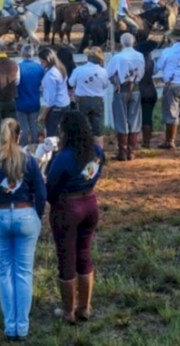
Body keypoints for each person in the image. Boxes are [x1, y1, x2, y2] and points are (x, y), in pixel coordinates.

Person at [0, 119, 47, 341]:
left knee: (4, 272)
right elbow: (42, 193)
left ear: (0, 136)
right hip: (25, 214)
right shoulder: (29, 161)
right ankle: (23, 327)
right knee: (24, 272)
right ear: (19, 136)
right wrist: (37, 214)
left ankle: (10, 326)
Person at [46, 110, 104, 325]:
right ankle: (85, 307)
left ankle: (68, 311)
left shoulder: (63, 157)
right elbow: (96, 172)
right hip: (90, 203)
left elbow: (50, 186)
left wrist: (55, 202)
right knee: (84, 255)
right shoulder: (96, 151)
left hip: (67, 206)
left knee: (66, 258)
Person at [107, 32, 145, 160]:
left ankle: (122, 151)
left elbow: (109, 73)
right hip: (135, 88)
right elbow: (142, 73)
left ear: (122, 43)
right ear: (133, 42)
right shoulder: (140, 56)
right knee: (134, 119)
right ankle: (131, 151)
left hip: (121, 89)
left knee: (121, 119)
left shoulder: (118, 57)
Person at [67, 47, 108, 148]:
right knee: (98, 129)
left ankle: (85, 152)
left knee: (83, 127)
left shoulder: (79, 70)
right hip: (97, 100)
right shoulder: (103, 71)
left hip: (82, 100)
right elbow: (105, 85)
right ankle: (99, 153)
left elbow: (71, 83)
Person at [15, 44, 45, 146]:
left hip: (21, 101)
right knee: (34, 126)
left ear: (22, 53)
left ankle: (23, 147)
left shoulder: (18, 67)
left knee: (23, 128)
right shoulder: (39, 68)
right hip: (34, 100)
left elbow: (16, 83)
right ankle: (35, 146)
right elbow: (43, 85)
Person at [38, 47, 71, 137]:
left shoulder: (50, 75)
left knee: (52, 135)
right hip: (65, 103)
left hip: (55, 107)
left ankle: (54, 151)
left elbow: (50, 99)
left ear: (48, 60)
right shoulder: (60, 68)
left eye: (42, 62)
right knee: (63, 133)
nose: (41, 64)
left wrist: (43, 114)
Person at [135, 39, 160, 148]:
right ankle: (147, 142)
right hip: (151, 90)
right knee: (147, 117)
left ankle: (134, 142)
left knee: (134, 117)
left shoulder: (137, 63)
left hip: (139, 91)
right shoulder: (151, 62)